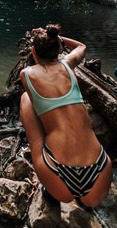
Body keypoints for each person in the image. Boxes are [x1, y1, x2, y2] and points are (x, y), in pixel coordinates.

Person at [20, 24, 112, 207]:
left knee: (26, 99)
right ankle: (86, 200)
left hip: (55, 171)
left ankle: (53, 189)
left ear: (33, 51)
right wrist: (58, 38)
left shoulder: (26, 74)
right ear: (59, 49)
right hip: (100, 170)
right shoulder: (68, 64)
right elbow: (81, 47)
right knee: (90, 201)